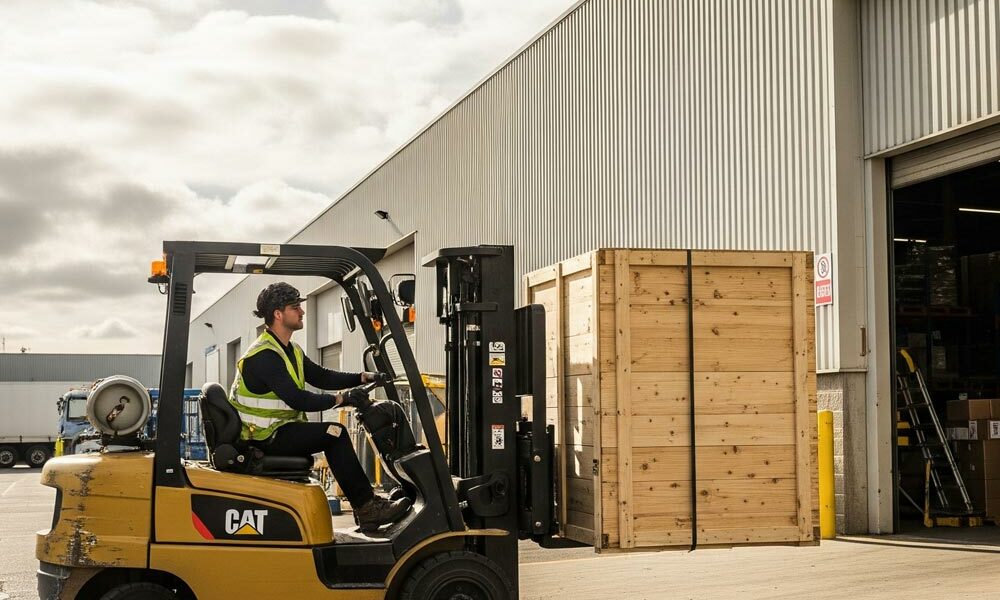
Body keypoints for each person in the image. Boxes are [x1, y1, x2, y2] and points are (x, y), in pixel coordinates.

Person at [228, 281, 410, 529]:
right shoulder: (264, 356)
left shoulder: (289, 350)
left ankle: (367, 506)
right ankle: (367, 508)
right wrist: (341, 399)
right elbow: (297, 398)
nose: (302, 311)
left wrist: (362, 377)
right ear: (278, 314)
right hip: (262, 437)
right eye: (295, 307)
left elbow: (321, 376)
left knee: (334, 433)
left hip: (277, 431)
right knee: (335, 433)